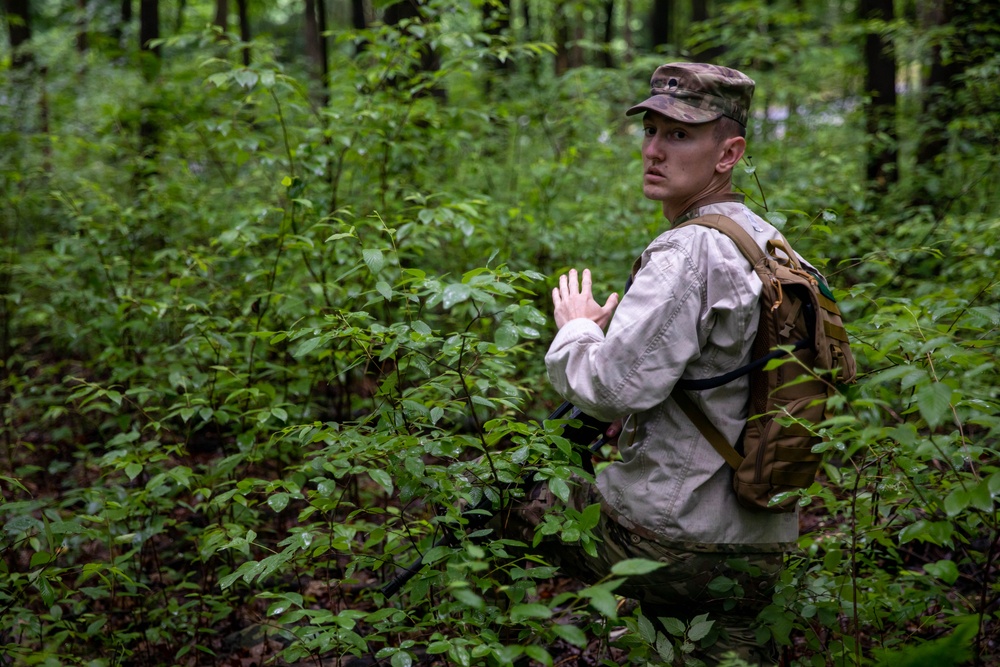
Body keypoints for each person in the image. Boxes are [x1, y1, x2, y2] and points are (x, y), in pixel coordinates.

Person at [494, 63, 809, 664]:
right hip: (762, 540)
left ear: (729, 153)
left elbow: (611, 388)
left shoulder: (686, 252)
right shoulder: (766, 240)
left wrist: (578, 330)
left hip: (674, 541)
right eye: (652, 130)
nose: (655, 151)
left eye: (681, 135)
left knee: (499, 491)